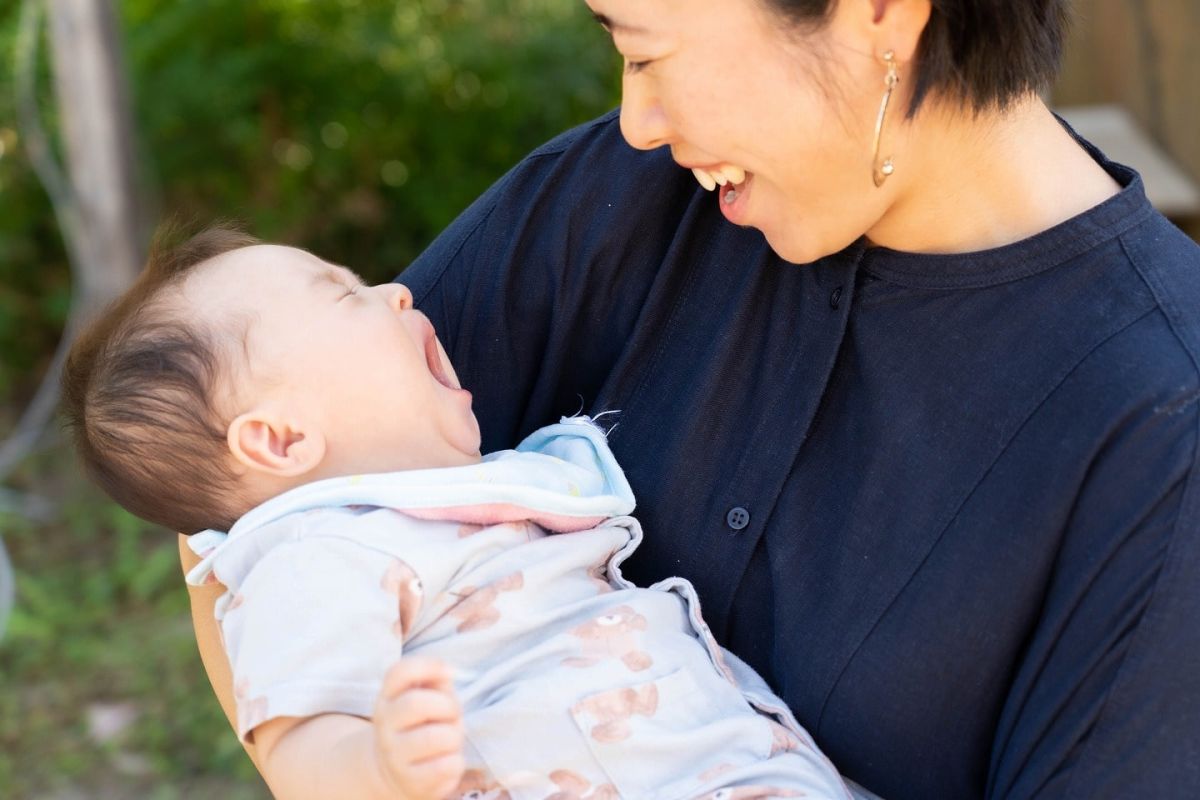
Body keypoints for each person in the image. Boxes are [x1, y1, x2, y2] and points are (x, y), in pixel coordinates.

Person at [377, 1, 1198, 798]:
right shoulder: (617, 201)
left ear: (881, 15)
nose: (638, 121)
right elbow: (269, 502)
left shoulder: (1163, 428)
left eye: (647, 53)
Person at [62, 232, 864, 800]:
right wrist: (377, 768)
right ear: (281, 438)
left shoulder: (449, 502)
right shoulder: (315, 554)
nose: (399, 290)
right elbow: (296, 741)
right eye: (346, 294)